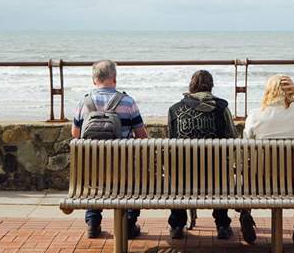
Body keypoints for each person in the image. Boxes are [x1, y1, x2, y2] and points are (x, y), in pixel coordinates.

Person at [72, 59, 148, 239]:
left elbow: (75, 135)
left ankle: (93, 222)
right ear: (114, 78)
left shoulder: (84, 103)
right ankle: (128, 223)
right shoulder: (128, 102)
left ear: (94, 80)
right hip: (124, 169)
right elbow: (141, 136)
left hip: (94, 169)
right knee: (133, 179)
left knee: (94, 178)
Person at [239, 74, 294, 245]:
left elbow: (246, 145)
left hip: (258, 184)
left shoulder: (255, 115)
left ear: (268, 91)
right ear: (289, 92)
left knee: (248, 174)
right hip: (293, 184)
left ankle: (245, 213)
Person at [166, 70, 236, 240]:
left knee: (177, 172)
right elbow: (233, 139)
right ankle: (222, 224)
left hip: (183, 177)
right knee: (220, 170)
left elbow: (171, 141)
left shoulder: (175, 109)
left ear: (191, 86)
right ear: (211, 86)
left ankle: (177, 224)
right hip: (216, 175)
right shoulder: (221, 108)